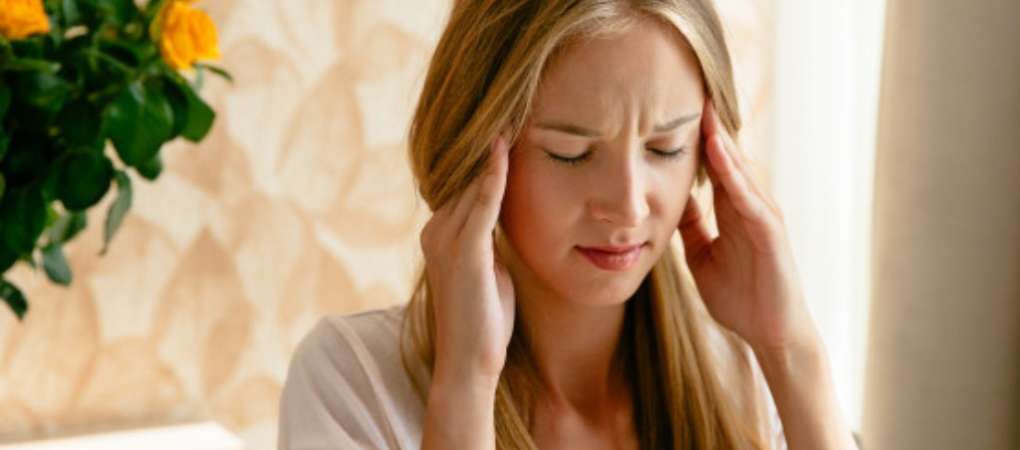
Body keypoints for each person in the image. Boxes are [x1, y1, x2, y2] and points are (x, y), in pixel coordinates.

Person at [279, 1, 858, 449]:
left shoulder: (748, 372)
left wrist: (791, 351)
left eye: (665, 148)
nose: (629, 208)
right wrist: (464, 385)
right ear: (473, 149)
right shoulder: (352, 380)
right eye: (571, 153)